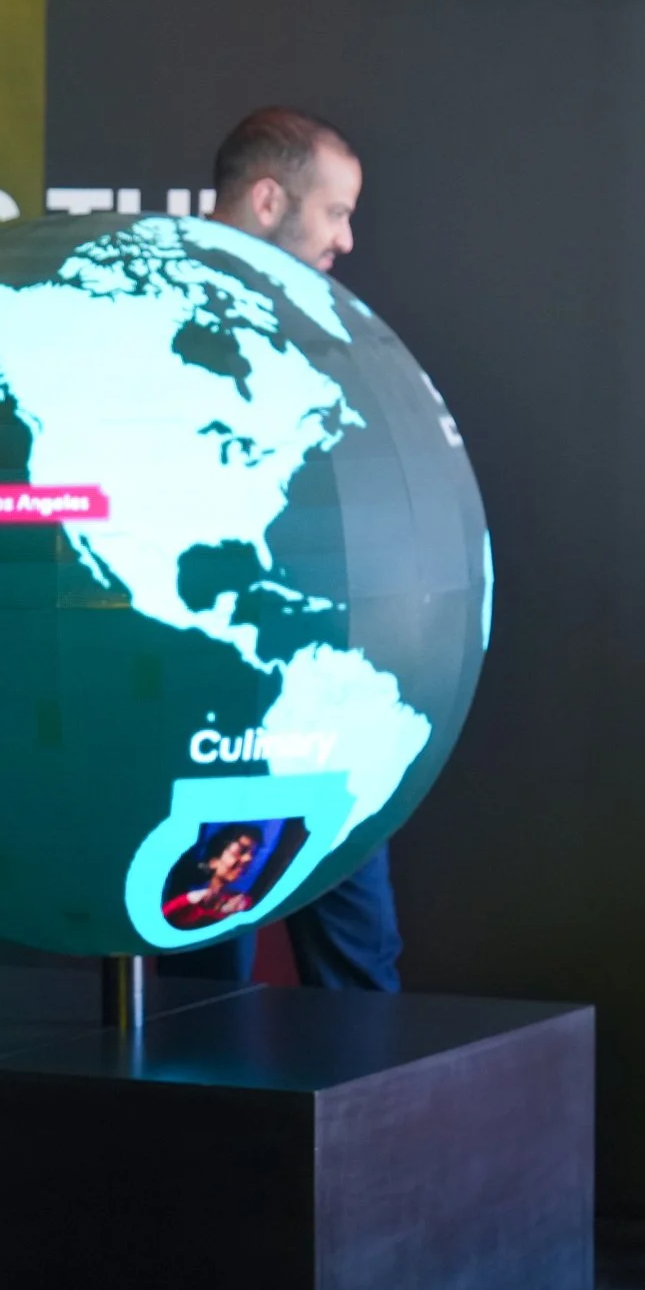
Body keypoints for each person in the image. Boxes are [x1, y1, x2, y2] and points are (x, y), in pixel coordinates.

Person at [164, 105, 402, 992]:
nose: (346, 239)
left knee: (361, 970)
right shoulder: (154, 311)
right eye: (334, 211)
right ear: (269, 199)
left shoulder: (329, 323)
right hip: (212, 704)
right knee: (202, 986)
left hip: (331, 702)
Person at [161, 825, 262, 931]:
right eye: (241, 851)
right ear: (213, 861)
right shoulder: (181, 893)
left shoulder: (240, 902)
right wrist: (189, 899)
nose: (248, 859)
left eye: (252, 854)